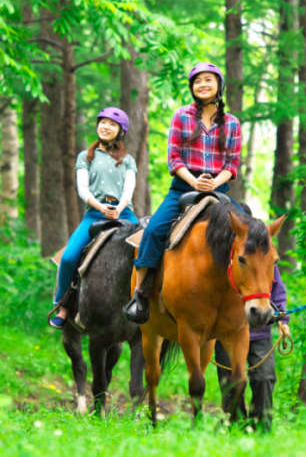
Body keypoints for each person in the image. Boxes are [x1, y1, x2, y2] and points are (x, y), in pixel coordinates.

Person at [124, 62, 242, 323]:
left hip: (218, 191)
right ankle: (140, 294)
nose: (202, 85)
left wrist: (213, 182)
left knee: (252, 230)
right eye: (197, 81)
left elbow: (232, 163)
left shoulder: (232, 123)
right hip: (183, 188)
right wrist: (194, 181)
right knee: (154, 229)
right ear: (192, 87)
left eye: (208, 80)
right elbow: (173, 158)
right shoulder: (181, 116)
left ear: (219, 85)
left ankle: (266, 297)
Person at [50, 107, 138, 329]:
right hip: (94, 214)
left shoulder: (127, 159)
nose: (105, 126)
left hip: (124, 214)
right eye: (103, 122)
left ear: (121, 131)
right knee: (69, 257)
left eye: (112, 124)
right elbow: (82, 190)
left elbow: (129, 189)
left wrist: (118, 207)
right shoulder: (85, 157)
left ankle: (148, 304)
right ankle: (63, 305)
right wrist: (101, 207)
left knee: (147, 251)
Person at [214, 203, 291, 433]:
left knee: (265, 378)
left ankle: (263, 428)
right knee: (230, 381)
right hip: (228, 331)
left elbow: (277, 289)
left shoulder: (264, 255)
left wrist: (282, 320)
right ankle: (236, 426)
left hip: (259, 329)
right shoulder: (225, 258)